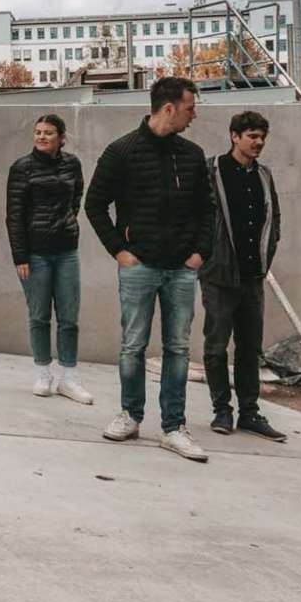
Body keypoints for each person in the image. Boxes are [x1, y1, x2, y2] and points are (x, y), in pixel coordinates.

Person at [84, 76, 215, 461]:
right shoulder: (121, 151)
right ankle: (130, 415)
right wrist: (119, 252)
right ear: (169, 108)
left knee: (177, 348)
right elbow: (94, 205)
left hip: (181, 269)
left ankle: (174, 427)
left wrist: (199, 253)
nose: (194, 115)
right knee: (133, 345)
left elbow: (207, 209)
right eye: (191, 108)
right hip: (139, 266)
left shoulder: (191, 154)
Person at [198, 110, 286, 442]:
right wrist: (205, 256)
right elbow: (198, 216)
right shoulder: (212, 169)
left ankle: (250, 412)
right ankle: (222, 409)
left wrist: (268, 253)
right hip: (219, 274)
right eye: (252, 136)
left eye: (262, 136)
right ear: (235, 136)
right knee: (216, 345)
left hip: (253, 275)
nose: (259, 142)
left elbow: (273, 217)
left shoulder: (264, 174)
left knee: (250, 348)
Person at [6, 114, 92, 405]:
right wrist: (20, 255)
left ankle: (69, 378)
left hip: (67, 251)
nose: (42, 137)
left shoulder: (72, 164)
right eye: (38, 132)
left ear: (61, 138)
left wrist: (66, 223)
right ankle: (43, 373)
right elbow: (14, 216)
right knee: (39, 315)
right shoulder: (21, 168)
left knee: (69, 317)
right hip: (34, 254)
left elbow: (76, 198)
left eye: (49, 133)